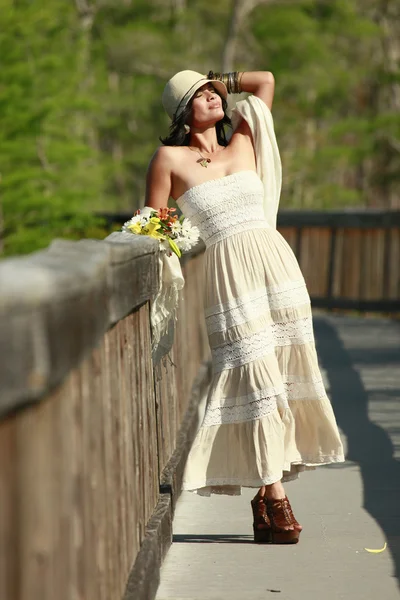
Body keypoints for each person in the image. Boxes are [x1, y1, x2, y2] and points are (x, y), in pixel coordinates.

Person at [145, 69, 345, 544]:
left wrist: (221, 78)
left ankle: (265, 501)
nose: (211, 97)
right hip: (229, 276)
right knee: (255, 379)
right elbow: (153, 226)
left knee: (281, 375)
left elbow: (267, 81)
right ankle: (273, 495)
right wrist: (159, 241)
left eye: (212, 91)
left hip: (277, 269)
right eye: (199, 95)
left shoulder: (246, 139)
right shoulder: (169, 159)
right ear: (181, 113)